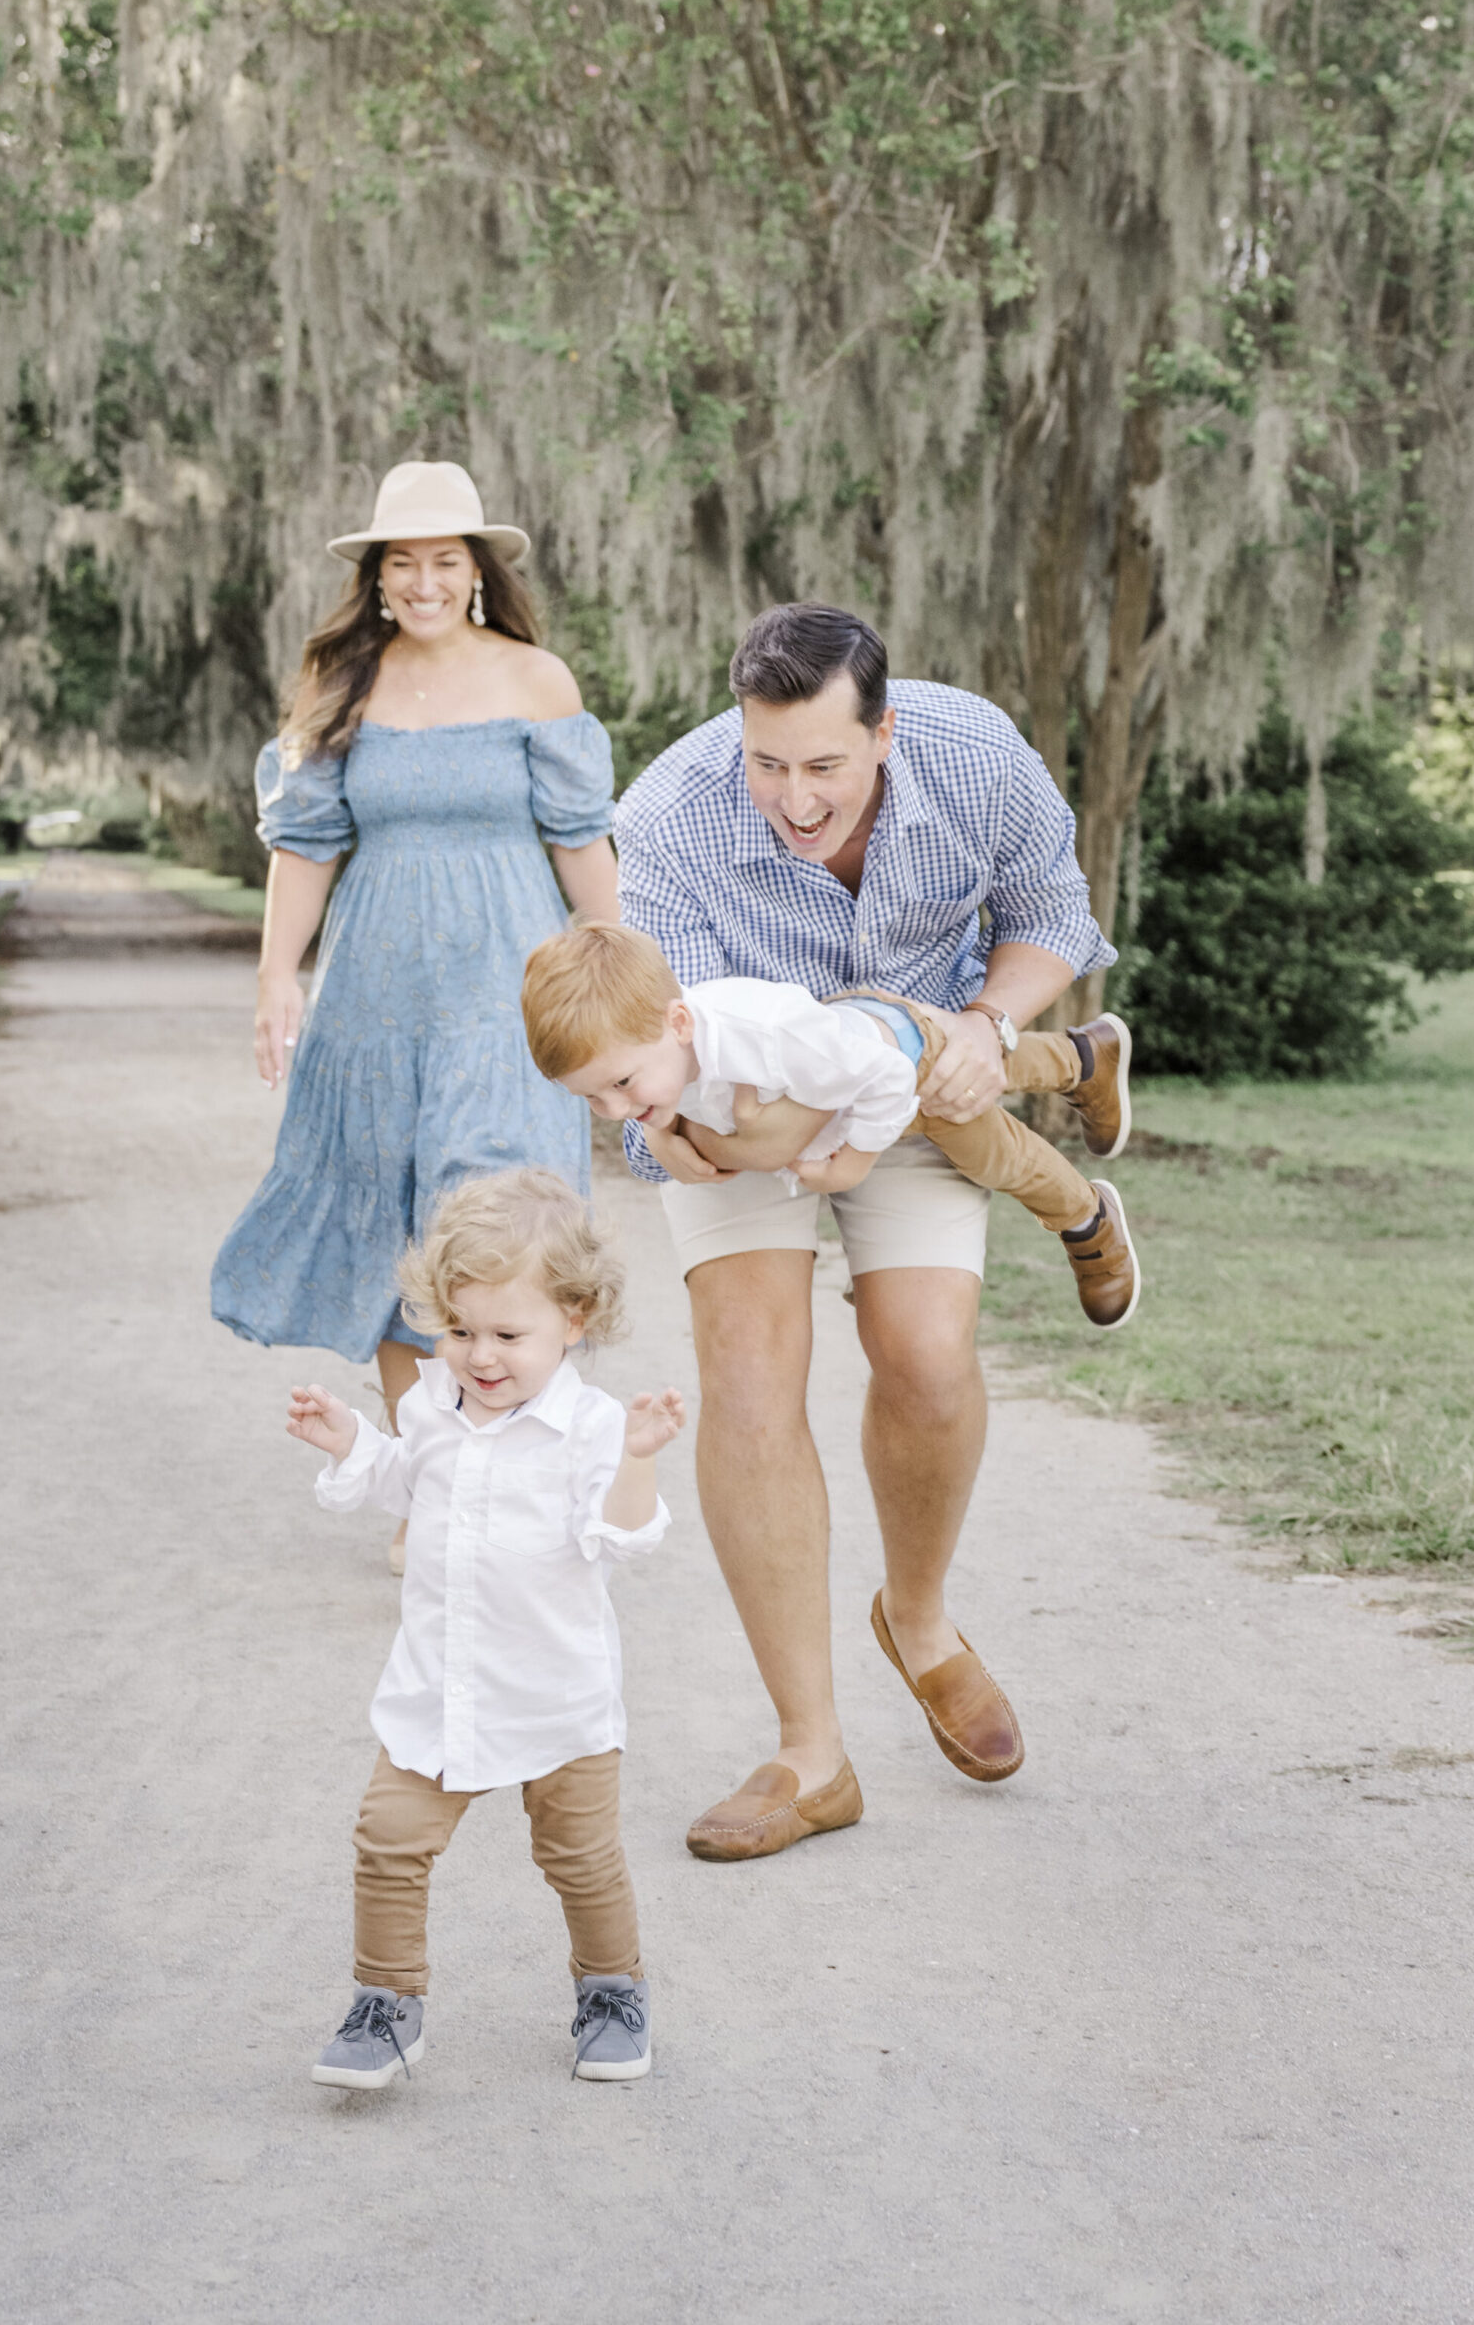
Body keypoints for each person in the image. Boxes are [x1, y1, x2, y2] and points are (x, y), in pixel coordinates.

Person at [611, 601, 1118, 1862]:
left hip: (912, 1082)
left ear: (883, 733)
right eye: (767, 761)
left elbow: (1052, 910)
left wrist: (987, 1028)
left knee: (927, 1358)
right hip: (740, 1115)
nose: (793, 796)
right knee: (745, 1367)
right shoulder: (668, 817)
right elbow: (661, 1061)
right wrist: (687, 1135)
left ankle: (922, 1617)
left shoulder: (974, 752)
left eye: (824, 765)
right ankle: (809, 1756)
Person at [212, 461, 620, 1568]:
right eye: (406, 562)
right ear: (379, 577)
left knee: (493, 1220)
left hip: (508, 996)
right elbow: (304, 848)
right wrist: (274, 976)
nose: (427, 580)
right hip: (376, 1001)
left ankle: (522, 1488)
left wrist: (621, 974)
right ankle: (433, 1489)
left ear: (477, 572)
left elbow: (581, 842)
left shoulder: (536, 680)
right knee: (406, 1243)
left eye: (448, 560)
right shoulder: (339, 689)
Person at [285, 1169, 682, 2088]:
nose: (481, 1355)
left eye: (509, 1334)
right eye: (459, 1330)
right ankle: (386, 2004)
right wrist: (353, 1443)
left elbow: (623, 1536)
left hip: (557, 1700)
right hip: (440, 1687)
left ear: (573, 1320)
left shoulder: (590, 1427)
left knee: (581, 1859)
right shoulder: (428, 1407)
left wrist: (637, 1460)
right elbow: (402, 1483)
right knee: (387, 1841)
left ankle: (612, 1991)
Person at [519, 922, 1139, 1328]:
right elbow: (655, 1096)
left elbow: (886, 1081)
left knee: (990, 1146)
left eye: (622, 1085)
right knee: (978, 1063)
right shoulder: (657, 1049)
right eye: (591, 1098)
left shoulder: (757, 1040)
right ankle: (1086, 1058)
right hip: (842, 1059)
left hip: (892, 1064)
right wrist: (656, 1128)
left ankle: (1086, 1215)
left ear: (679, 1024)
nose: (615, 1110)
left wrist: (855, 1162)